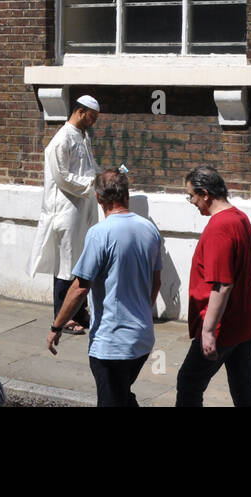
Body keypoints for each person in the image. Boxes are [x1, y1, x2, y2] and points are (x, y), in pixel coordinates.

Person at [46, 168, 162, 407]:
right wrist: (140, 312)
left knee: (113, 399)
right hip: (141, 339)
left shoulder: (99, 234)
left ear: (98, 199)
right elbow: (156, 282)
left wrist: (56, 325)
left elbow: (80, 287)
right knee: (121, 396)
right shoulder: (149, 229)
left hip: (111, 344)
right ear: (127, 195)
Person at [176, 165, 251, 408]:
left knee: (189, 381)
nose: (192, 202)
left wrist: (208, 331)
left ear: (205, 193)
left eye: (191, 196)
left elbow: (222, 284)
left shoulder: (219, 227)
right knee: (244, 388)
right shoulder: (240, 217)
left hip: (223, 326)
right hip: (245, 320)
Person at [28, 95, 101, 334]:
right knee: (66, 264)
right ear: (81, 111)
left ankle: (79, 312)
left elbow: (87, 169)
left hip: (83, 208)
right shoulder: (61, 139)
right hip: (66, 210)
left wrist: (102, 178)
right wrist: (91, 184)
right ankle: (63, 316)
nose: (94, 122)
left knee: (81, 262)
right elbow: (63, 177)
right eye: (93, 117)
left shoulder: (83, 136)